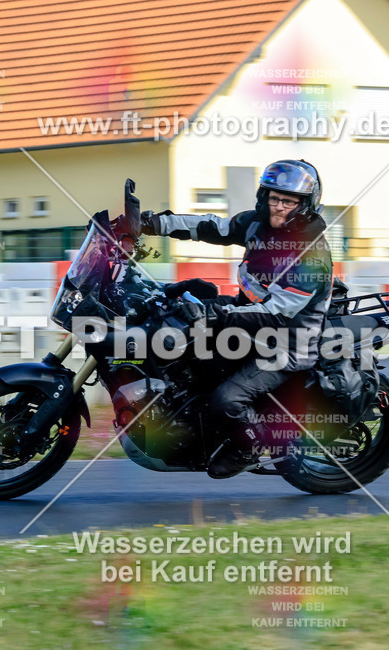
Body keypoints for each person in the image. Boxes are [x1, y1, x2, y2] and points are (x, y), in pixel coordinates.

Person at [141, 159, 333, 478]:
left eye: (289, 201)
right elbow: (210, 226)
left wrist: (215, 314)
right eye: (274, 198)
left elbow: (274, 314)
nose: (279, 207)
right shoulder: (257, 226)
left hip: (285, 344)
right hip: (250, 324)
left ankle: (249, 446)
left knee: (226, 399)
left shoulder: (310, 255)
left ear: (305, 205)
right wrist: (152, 224)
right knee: (181, 340)